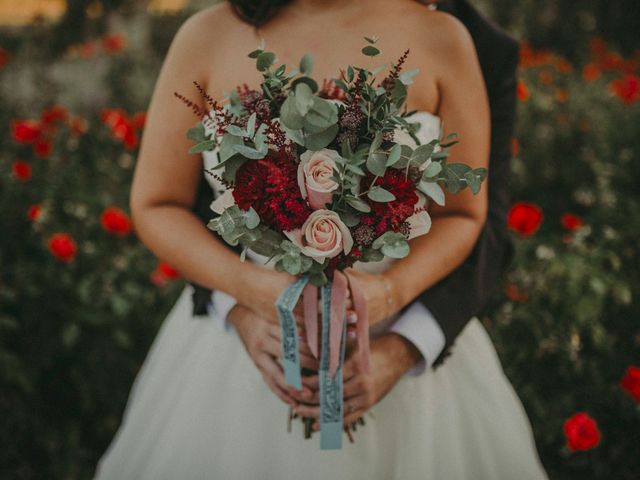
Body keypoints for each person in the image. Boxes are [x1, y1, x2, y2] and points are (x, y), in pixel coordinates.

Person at [94, 0, 548, 478]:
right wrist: (249, 295)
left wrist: (388, 295)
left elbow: (464, 213)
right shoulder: (205, 35)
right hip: (243, 356)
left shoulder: (444, 37)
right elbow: (158, 204)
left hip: (404, 355)